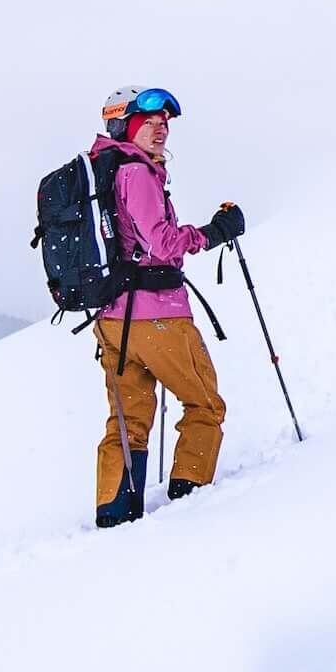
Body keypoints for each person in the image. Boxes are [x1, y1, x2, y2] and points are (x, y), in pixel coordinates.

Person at [86, 86, 244, 529]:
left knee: (127, 419)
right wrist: (214, 232)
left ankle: (115, 510)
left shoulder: (105, 170)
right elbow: (163, 242)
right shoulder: (136, 174)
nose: (161, 131)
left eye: (164, 125)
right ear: (126, 127)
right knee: (205, 405)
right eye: (149, 124)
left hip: (113, 321)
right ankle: (188, 504)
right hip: (158, 317)